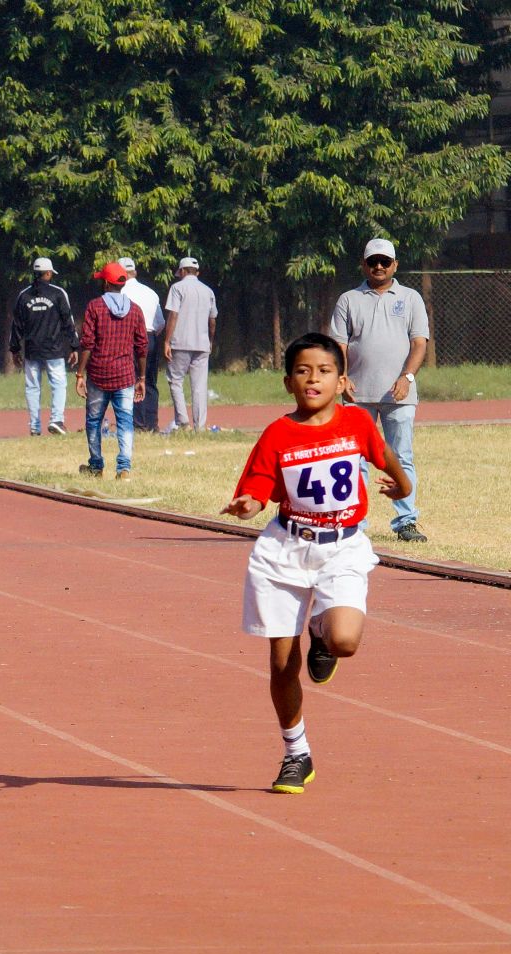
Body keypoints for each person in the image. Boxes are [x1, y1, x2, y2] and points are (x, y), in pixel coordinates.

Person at [221, 333, 410, 794]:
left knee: (345, 640)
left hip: (342, 547)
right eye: (303, 371)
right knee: (282, 663)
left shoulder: (358, 422)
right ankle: (296, 753)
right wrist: (247, 505)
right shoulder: (278, 434)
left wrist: (402, 487)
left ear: (342, 381)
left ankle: (321, 634)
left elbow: (382, 454)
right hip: (285, 550)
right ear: (288, 382)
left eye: (324, 371)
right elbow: (257, 491)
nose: (313, 379)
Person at [329, 238, 430, 543]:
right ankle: (354, 521)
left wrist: (407, 377)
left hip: (399, 395)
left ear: (395, 265)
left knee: (401, 456)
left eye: (385, 262)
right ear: (364, 265)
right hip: (357, 395)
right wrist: (342, 377)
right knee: (353, 458)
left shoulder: (411, 298)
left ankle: (406, 521)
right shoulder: (349, 299)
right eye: (373, 261)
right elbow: (339, 344)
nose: (379, 267)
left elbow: (419, 343)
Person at [75, 261, 148, 480]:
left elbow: (87, 343)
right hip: (125, 375)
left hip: (98, 374)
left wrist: (80, 373)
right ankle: (124, 468)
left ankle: (96, 467)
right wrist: (142, 377)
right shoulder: (135, 310)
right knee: (125, 421)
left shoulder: (95, 307)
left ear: (106, 283)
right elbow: (142, 345)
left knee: (94, 421)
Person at [8, 256, 79, 435]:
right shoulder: (58, 293)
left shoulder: (24, 295)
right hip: (54, 349)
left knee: (32, 387)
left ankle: (34, 426)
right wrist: (74, 346)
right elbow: (67, 321)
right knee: (59, 384)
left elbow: (16, 325)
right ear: (48, 273)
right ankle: (56, 420)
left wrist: (15, 349)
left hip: (32, 350)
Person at [161, 257, 218, 434]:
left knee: (175, 380)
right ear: (197, 273)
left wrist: (166, 340)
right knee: (200, 386)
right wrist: (210, 340)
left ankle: (183, 421)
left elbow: (173, 315)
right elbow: (212, 320)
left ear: (183, 271)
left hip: (180, 342)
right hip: (201, 344)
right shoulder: (208, 291)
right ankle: (199, 427)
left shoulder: (177, 288)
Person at [118, 257, 165, 432]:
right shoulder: (151, 292)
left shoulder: (121, 293)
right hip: (151, 336)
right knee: (150, 381)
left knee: (132, 380)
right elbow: (160, 322)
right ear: (135, 272)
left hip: (130, 338)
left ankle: (138, 423)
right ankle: (152, 424)